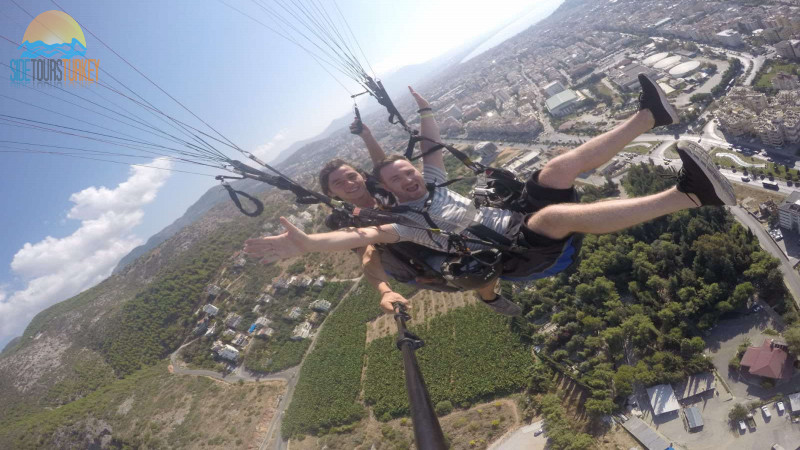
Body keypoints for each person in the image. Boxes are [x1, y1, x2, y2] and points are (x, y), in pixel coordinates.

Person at [245, 77, 735, 316]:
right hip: (512, 252)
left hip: (508, 218)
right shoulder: (403, 225)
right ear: (387, 194)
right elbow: (364, 237)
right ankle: (692, 195)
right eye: (396, 183)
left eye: (407, 174)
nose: (409, 180)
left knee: (556, 168)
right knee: (558, 216)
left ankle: (652, 116)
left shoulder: (428, 180)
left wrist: (426, 110)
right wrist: (307, 244)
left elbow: (429, 149)